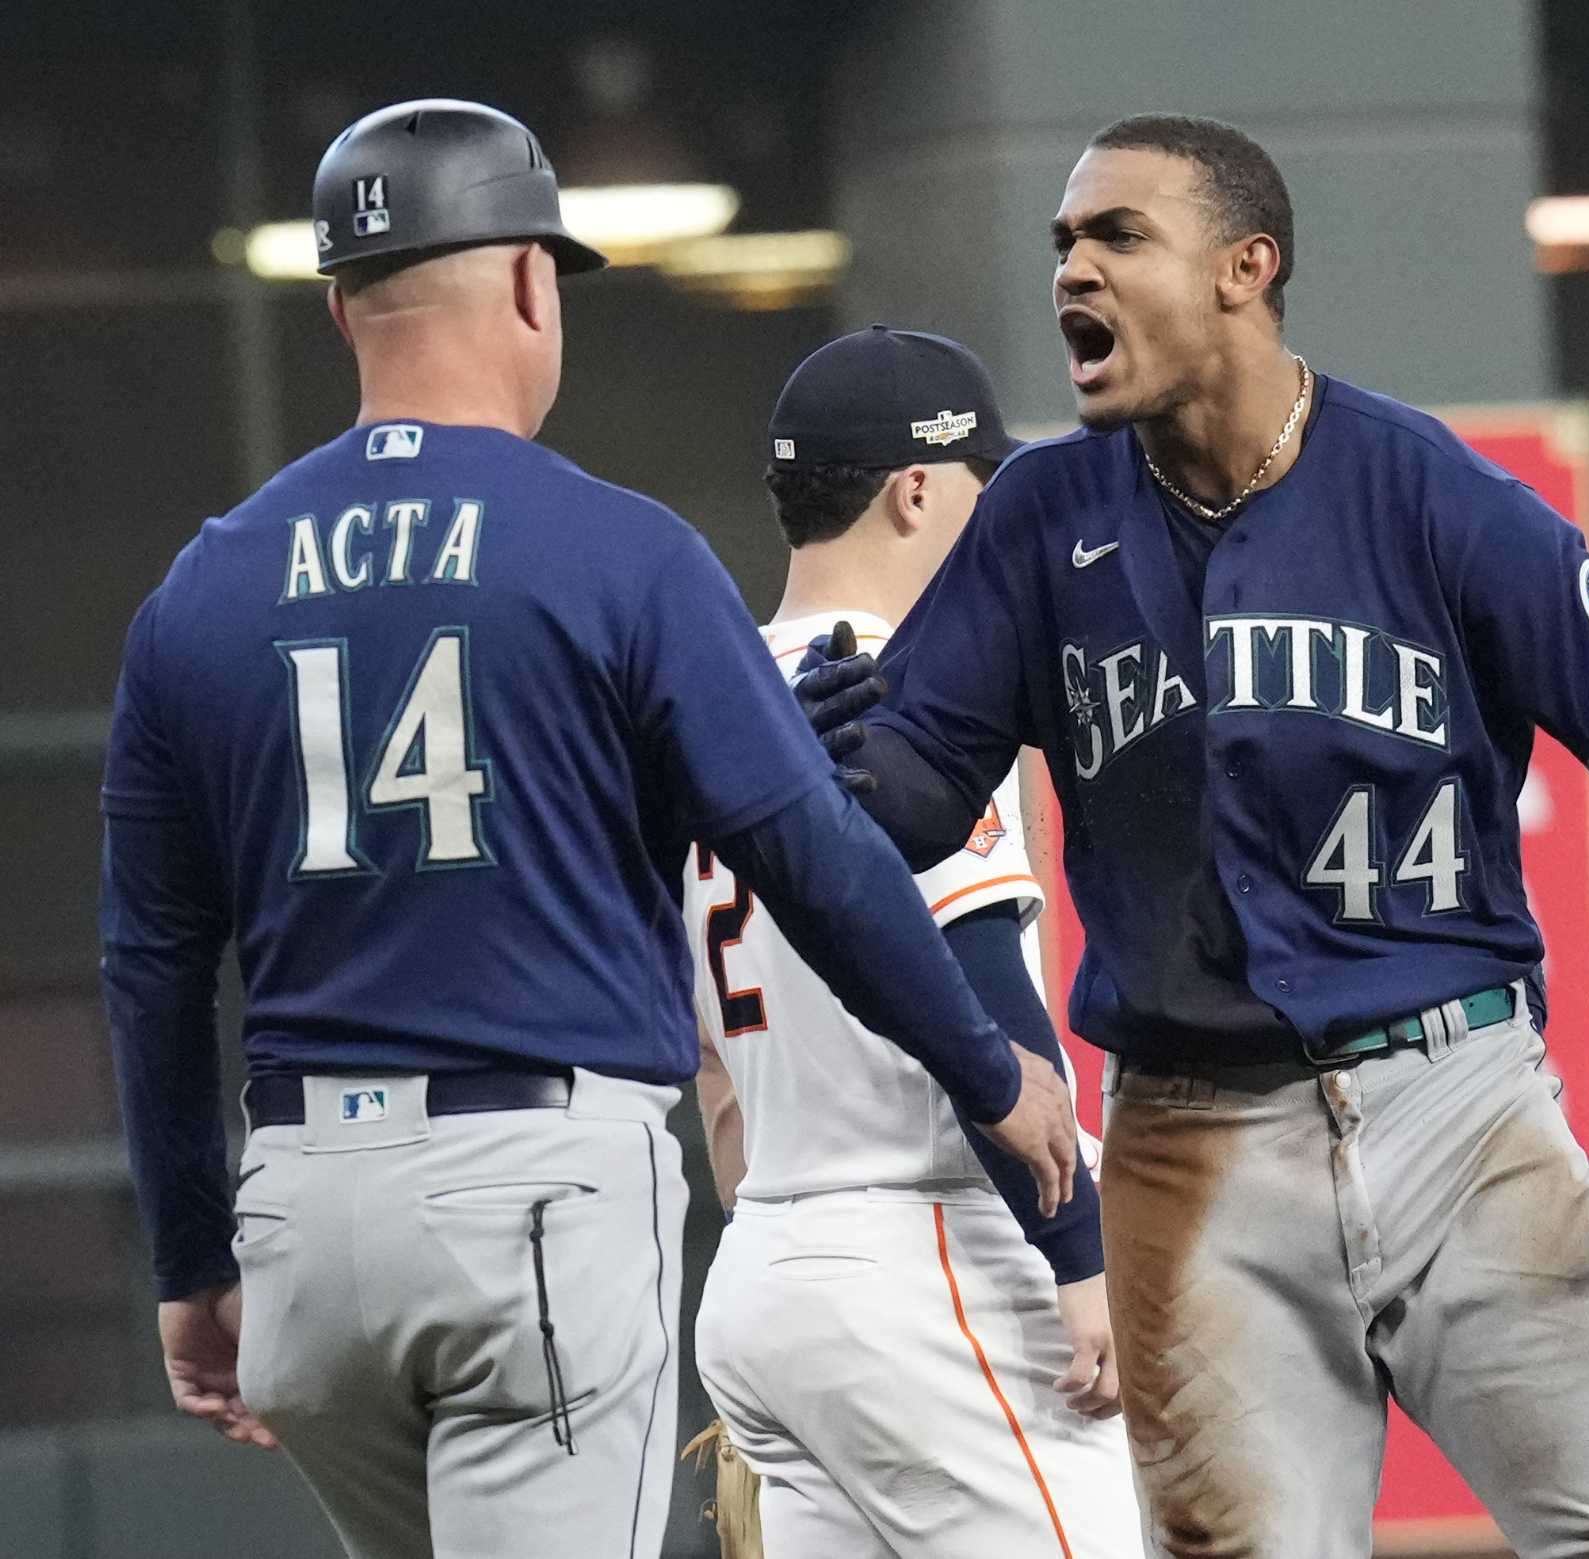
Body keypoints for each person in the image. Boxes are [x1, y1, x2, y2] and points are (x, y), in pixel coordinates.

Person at [803, 114, 1589, 1558]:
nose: (1076, 269)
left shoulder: (1424, 487)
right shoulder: (1045, 515)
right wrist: (829, 769)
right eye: (1064, 242)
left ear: (1248, 266)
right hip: (1190, 1138)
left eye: (1120, 235)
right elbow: (921, 791)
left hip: (1458, 1099)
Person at [97, 99, 1074, 1559]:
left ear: (339, 304)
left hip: (302, 1221)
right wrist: (990, 1066)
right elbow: (807, 850)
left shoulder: (201, 586)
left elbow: (153, 963)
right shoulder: (617, 550)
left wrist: (190, 1253)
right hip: (532, 1196)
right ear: (531, 283)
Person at [687, 326, 1144, 1558]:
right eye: (982, 488)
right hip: (932, 1257)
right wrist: (1079, 1256)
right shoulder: (901, 697)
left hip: (768, 1262)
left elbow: (714, 1077)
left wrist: (794, 1247)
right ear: (916, 489)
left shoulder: (708, 715)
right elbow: (988, 990)